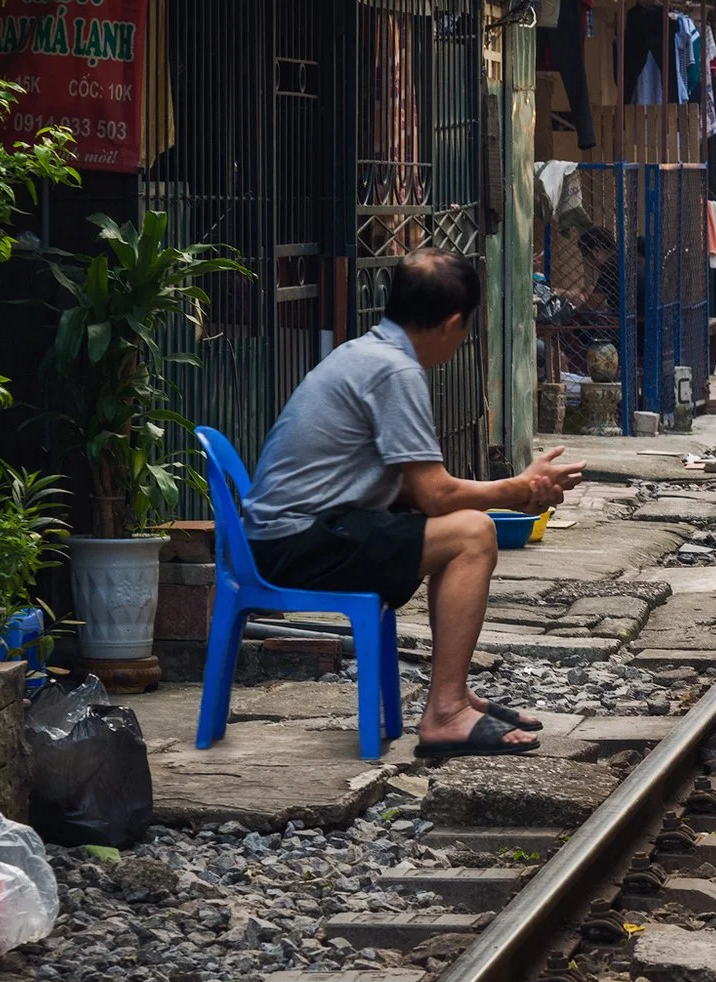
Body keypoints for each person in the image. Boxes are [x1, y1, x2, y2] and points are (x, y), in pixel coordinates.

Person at [245, 248, 584, 761]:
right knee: (473, 533)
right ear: (452, 323)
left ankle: (454, 693)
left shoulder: (367, 352)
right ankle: (445, 710)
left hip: (296, 533)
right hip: (296, 543)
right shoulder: (394, 372)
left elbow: (410, 490)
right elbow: (435, 494)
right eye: (466, 328)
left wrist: (508, 489)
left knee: (457, 526)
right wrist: (521, 488)